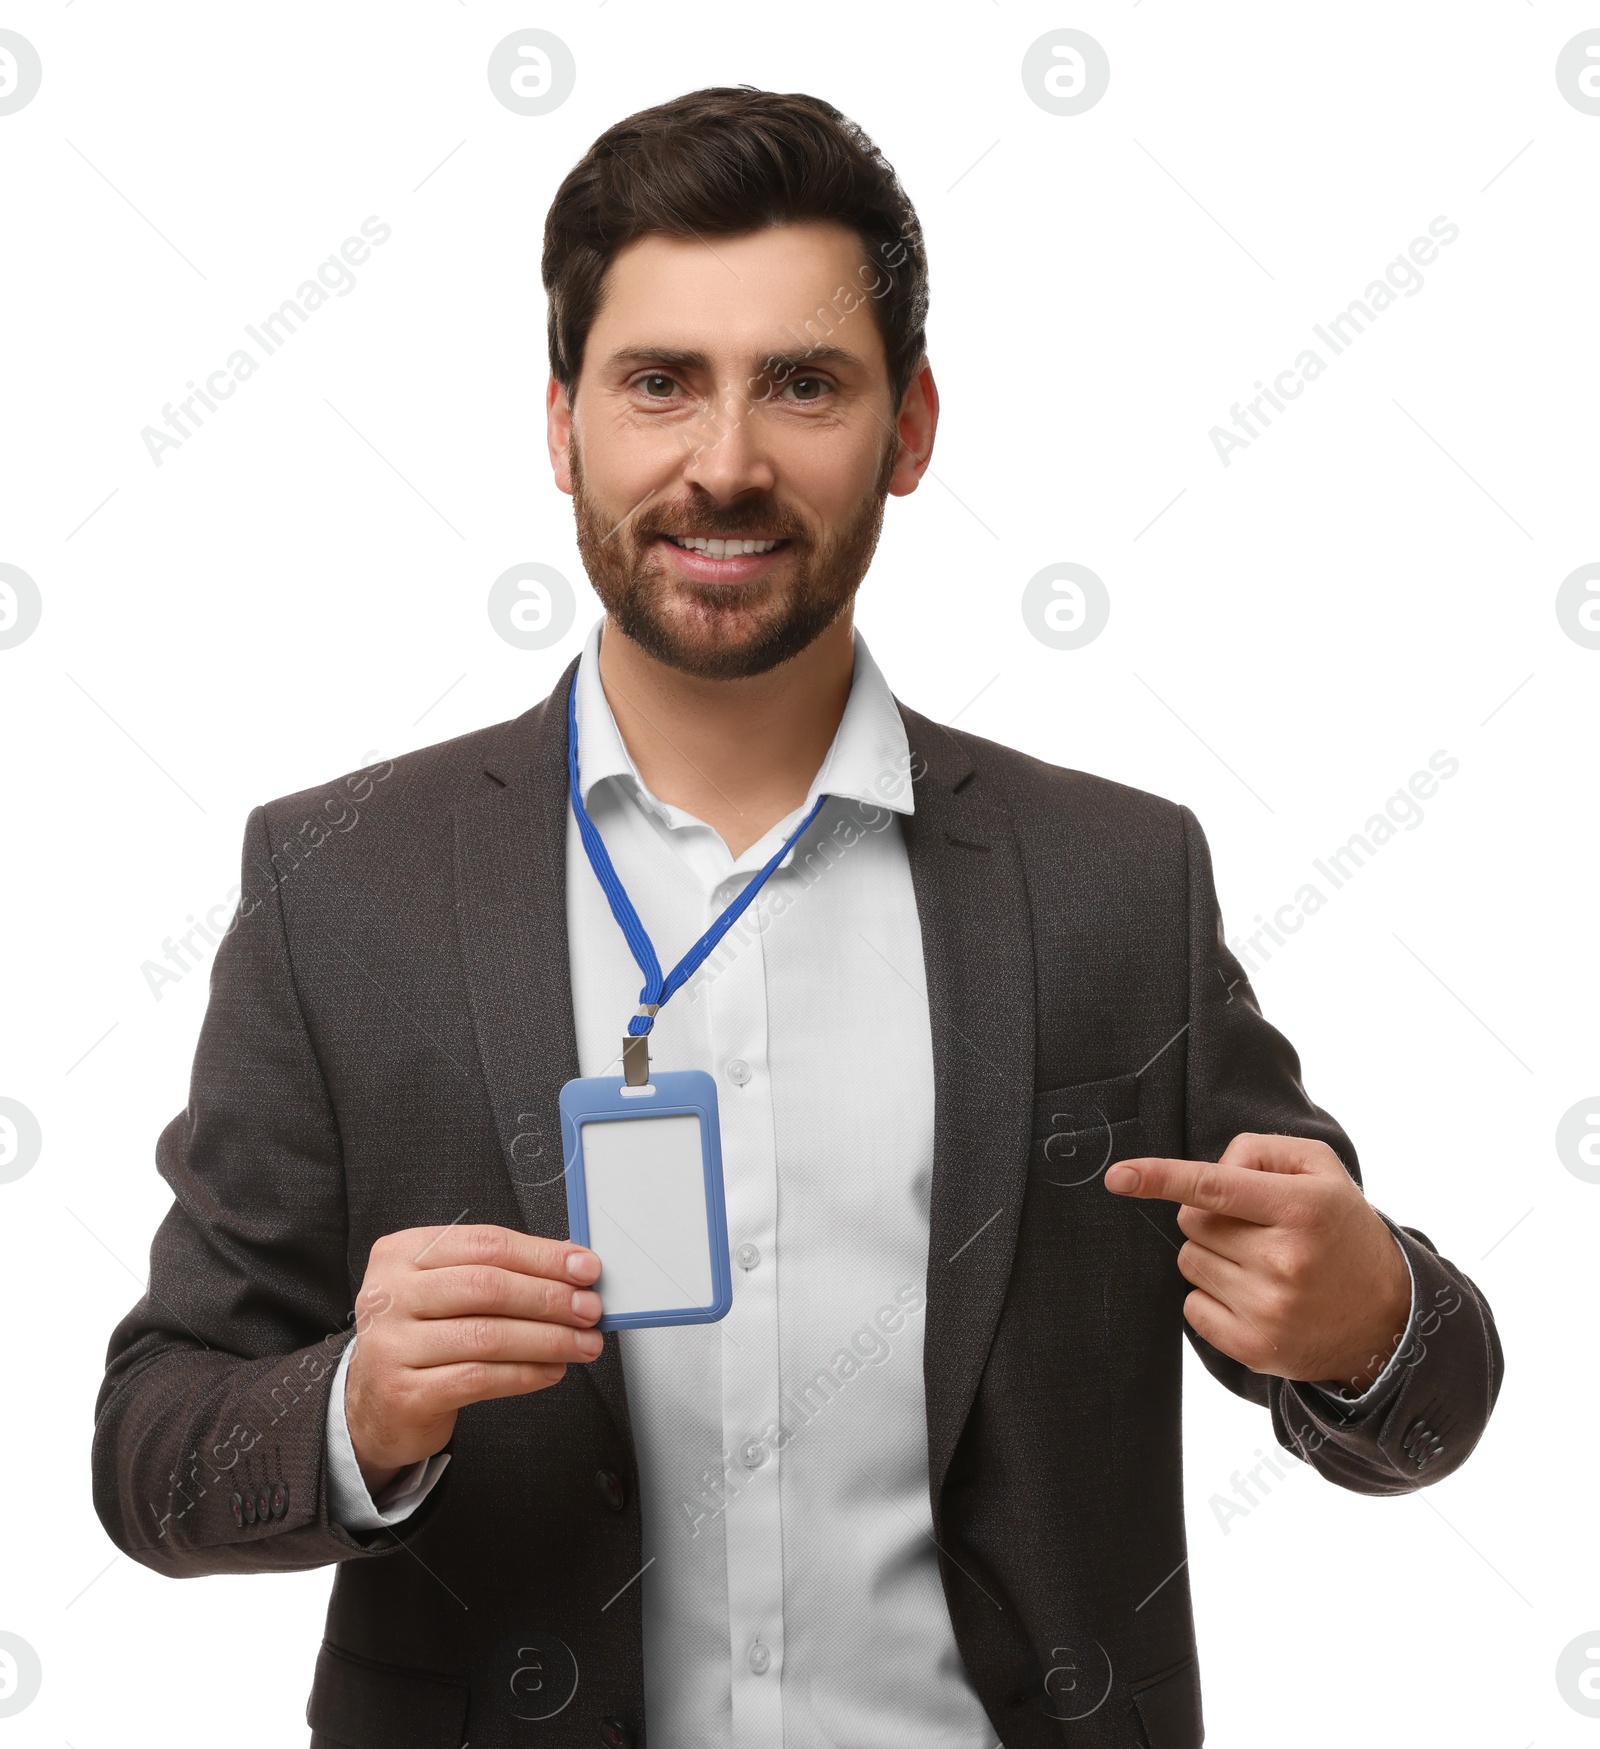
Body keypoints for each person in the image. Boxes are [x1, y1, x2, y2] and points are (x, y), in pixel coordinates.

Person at [92, 87, 1502, 1749]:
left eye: (805, 385)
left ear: (910, 429)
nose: (728, 463)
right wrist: (356, 1406)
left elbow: (1416, 1388)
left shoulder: (1117, 880)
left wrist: (1370, 1325)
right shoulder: (339, 885)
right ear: (563, 427)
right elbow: (151, 1452)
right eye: (660, 383)